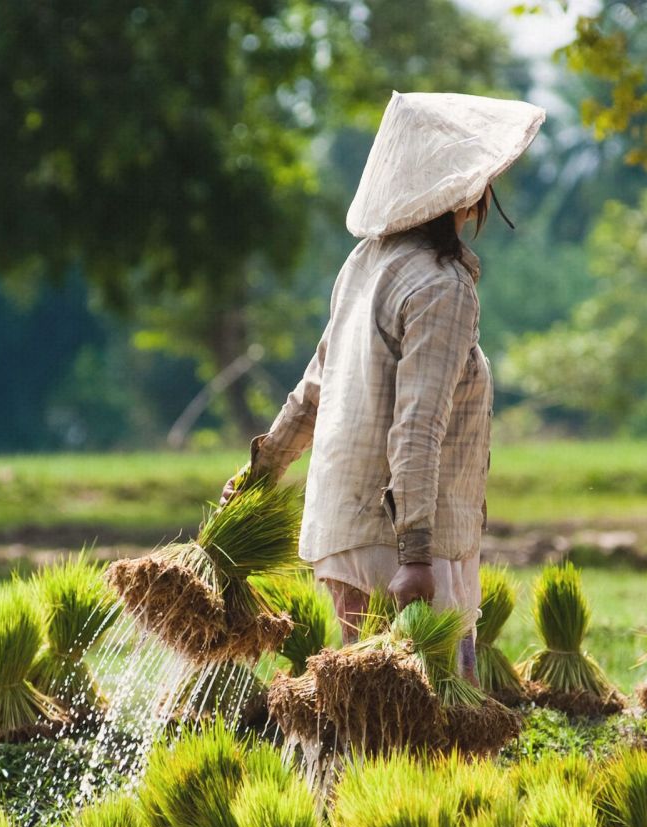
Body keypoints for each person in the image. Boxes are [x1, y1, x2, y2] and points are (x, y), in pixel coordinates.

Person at [223, 91, 545, 681]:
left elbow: (314, 388)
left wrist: (260, 474)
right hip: (396, 543)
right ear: (460, 189)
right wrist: (416, 555)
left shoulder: (366, 264)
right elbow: (417, 424)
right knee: (429, 730)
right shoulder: (441, 287)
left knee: (367, 722)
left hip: (347, 532)